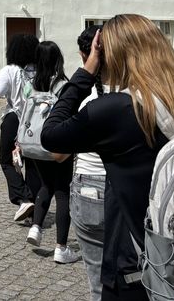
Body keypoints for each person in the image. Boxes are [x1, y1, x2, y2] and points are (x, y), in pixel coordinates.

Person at [42, 14, 174, 301]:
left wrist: (86, 72)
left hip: (141, 266)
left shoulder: (116, 110)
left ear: (110, 54)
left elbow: (51, 136)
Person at [23, 41, 79, 264]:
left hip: (35, 143)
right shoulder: (63, 86)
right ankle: (61, 248)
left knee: (45, 185)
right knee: (62, 191)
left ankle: (35, 228)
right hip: (57, 143)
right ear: (58, 59)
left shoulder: (32, 84)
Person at [71, 25, 107, 301]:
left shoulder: (87, 101)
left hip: (91, 189)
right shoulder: (143, 94)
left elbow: (56, 147)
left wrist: (84, 75)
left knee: (98, 282)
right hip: (135, 188)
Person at [0, 33, 42, 222]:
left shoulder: (9, 70)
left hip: (14, 118)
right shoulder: (41, 70)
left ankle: (23, 197)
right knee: (34, 165)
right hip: (37, 122)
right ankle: (34, 209)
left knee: (6, 160)